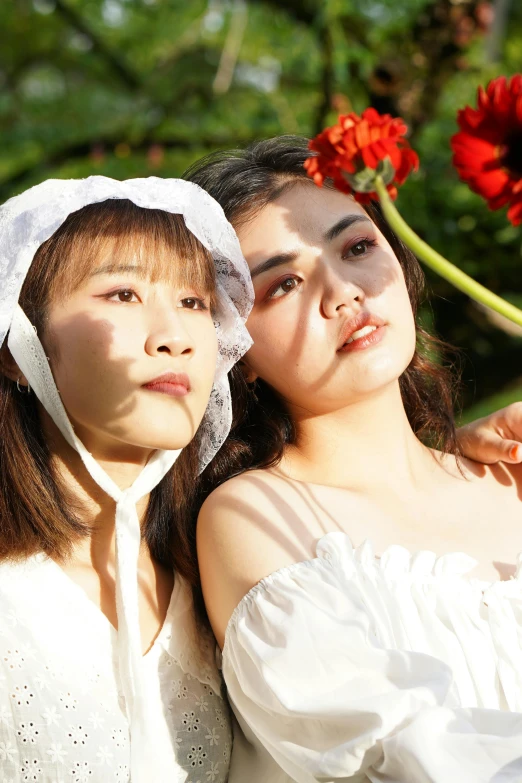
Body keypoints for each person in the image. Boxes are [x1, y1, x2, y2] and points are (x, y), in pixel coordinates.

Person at [186, 138, 522, 782]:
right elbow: (400, 757)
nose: (343, 292)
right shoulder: (253, 515)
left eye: (358, 247)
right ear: (235, 350)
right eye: (284, 283)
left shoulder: (509, 473)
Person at [0, 176, 253, 783]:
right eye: (122, 293)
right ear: (17, 348)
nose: (175, 338)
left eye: (194, 302)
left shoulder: (224, 572)